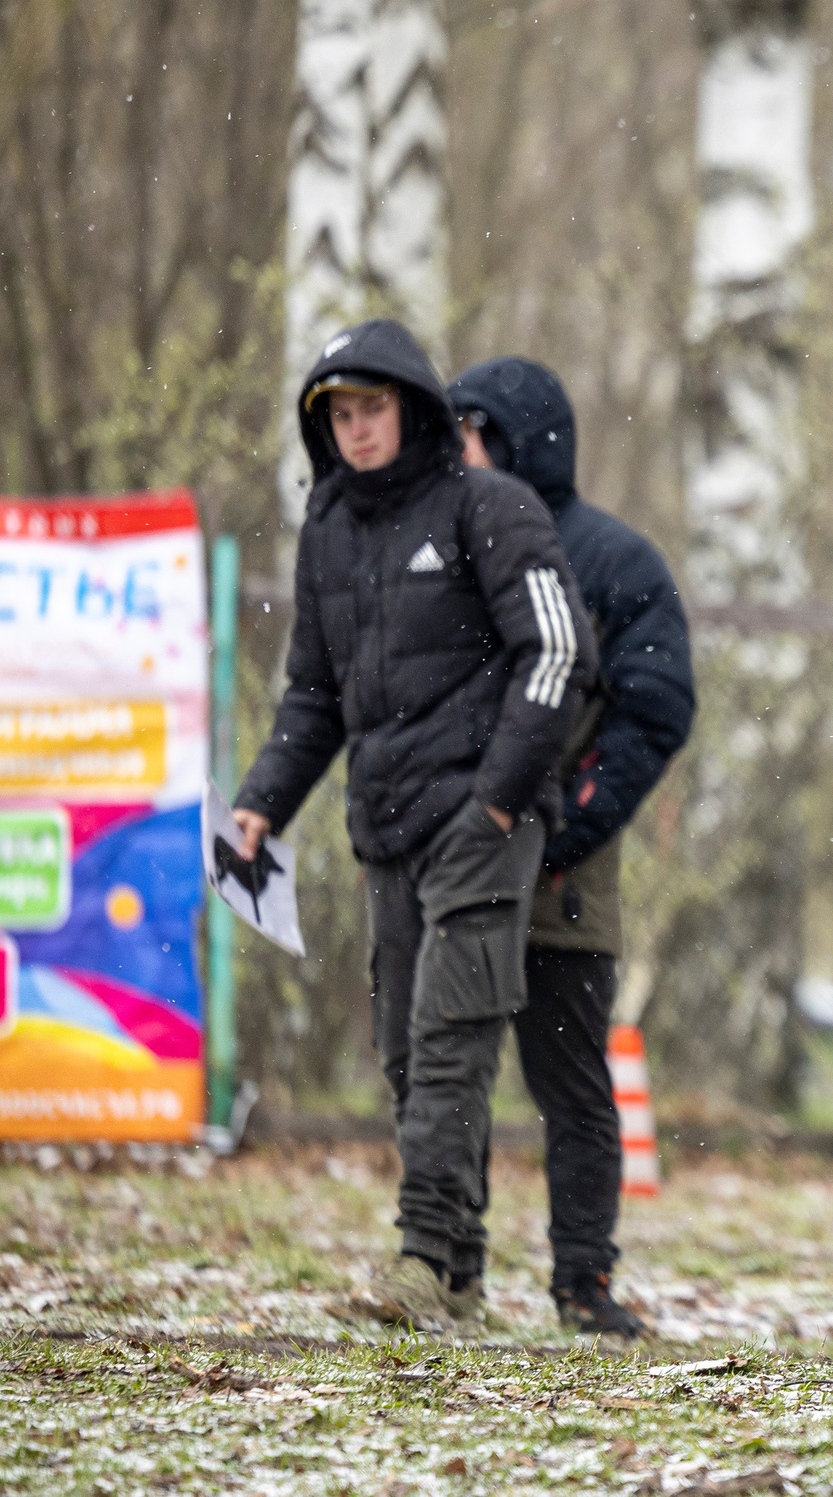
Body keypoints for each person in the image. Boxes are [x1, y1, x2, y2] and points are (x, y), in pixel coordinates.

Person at [233, 320, 598, 1335]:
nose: (356, 429)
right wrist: (263, 799)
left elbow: (558, 653)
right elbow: (313, 694)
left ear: (415, 407)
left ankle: (420, 1260)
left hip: (483, 823)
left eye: (373, 407)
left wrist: (497, 799)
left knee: (449, 1043)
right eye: (339, 414)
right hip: (384, 830)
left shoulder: (491, 506)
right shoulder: (327, 531)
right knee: (403, 1051)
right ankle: (461, 1276)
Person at [449, 356, 696, 1341]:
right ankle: (446, 1269)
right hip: (457, 860)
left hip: (566, 877)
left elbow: (656, 707)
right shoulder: (441, 545)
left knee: (574, 1086)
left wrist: (567, 821)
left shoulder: (612, 561)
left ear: (518, 439)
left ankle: (583, 1283)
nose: (457, 451)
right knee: (446, 1074)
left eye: (473, 430)